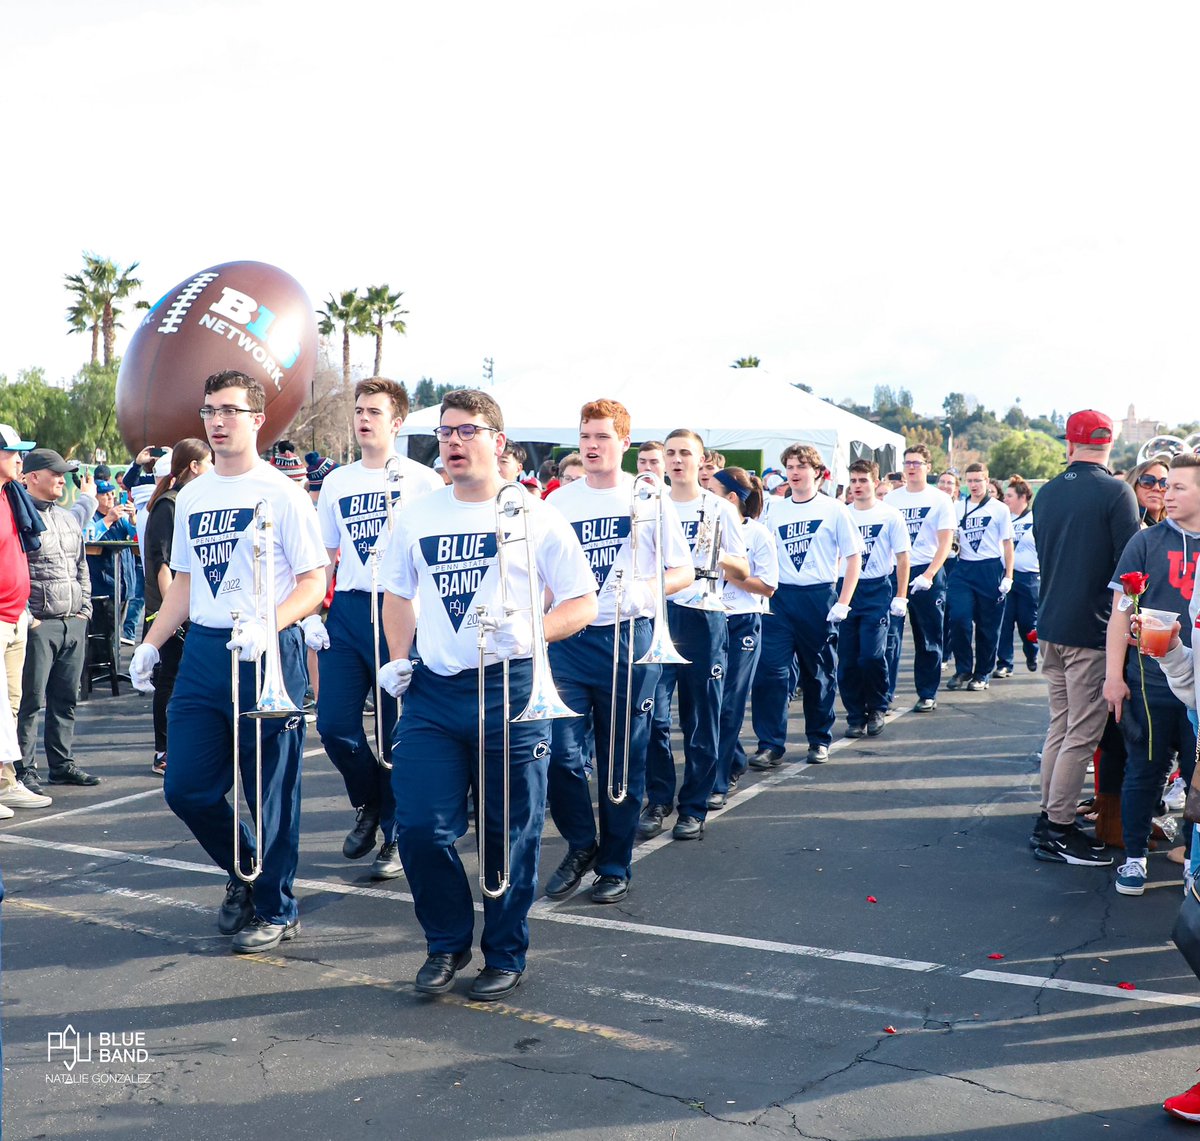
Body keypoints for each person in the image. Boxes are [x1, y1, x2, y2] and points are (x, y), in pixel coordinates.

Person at [377, 388, 597, 1001]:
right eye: (445, 432)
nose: (452, 441)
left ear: (498, 442)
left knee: (510, 832)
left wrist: (534, 630)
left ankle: (505, 950)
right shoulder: (416, 514)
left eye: (467, 431)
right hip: (434, 692)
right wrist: (398, 659)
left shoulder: (535, 514)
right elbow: (397, 592)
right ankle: (446, 942)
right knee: (420, 828)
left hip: (513, 690)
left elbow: (583, 601)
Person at [130, 370, 328, 953]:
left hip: (268, 650)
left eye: (230, 411)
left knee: (272, 793)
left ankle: (276, 906)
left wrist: (270, 623)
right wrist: (152, 641)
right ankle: (246, 868)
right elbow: (186, 585)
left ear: (257, 419)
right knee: (186, 789)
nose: (217, 421)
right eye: (210, 410)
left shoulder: (284, 494)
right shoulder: (190, 496)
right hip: (206, 655)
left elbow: (315, 583)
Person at [543, 399, 693, 903]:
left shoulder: (650, 497)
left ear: (624, 444)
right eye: (585, 436)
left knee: (620, 761)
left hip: (629, 636)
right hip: (568, 639)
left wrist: (649, 592)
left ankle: (614, 864)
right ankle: (582, 843)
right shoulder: (559, 502)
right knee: (557, 753)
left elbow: (684, 570)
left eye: (603, 437)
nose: (591, 445)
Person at [306, 377, 442, 880]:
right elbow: (326, 554)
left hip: (400, 612)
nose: (363, 418)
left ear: (397, 421)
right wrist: (311, 612)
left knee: (395, 735)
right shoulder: (338, 481)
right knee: (335, 725)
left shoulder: (422, 480)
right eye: (359, 410)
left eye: (374, 412)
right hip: (347, 608)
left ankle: (396, 833)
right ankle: (369, 803)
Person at [1031, 409, 1138, 866]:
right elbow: (1132, 572)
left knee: (1061, 726)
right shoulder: (1116, 492)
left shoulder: (1048, 492)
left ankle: (1049, 819)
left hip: (1052, 623)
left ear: (1070, 444)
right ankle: (1055, 828)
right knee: (1081, 733)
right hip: (1092, 629)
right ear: (1107, 445)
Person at [640, 429, 749, 840]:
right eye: (670, 453)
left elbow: (741, 568)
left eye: (686, 453)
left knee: (701, 716)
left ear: (702, 461)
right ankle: (658, 799)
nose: (677, 459)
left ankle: (694, 806)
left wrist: (715, 552)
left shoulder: (719, 508)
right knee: (651, 715)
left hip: (704, 615)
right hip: (660, 614)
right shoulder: (652, 505)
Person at [1102, 452, 1200, 896]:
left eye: (1178, 486)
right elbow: (1120, 614)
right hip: (1150, 681)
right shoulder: (1145, 542)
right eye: (1164, 485)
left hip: (1199, 687)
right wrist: (1113, 677)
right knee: (1145, 771)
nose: (1165, 493)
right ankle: (1135, 859)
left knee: (1199, 781)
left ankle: (1193, 864)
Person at [749, 443, 862, 768]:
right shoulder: (773, 508)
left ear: (817, 472)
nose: (795, 472)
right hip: (780, 600)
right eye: (790, 467)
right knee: (770, 673)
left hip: (819, 598)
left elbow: (854, 557)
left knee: (818, 674)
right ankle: (770, 744)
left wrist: (843, 601)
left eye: (801, 466)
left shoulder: (834, 509)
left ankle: (818, 738)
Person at [17, 449, 99, 792]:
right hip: (40, 624)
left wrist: (84, 611)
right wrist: (30, 619)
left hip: (72, 622)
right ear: (33, 477)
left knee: (66, 697)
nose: (62, 480)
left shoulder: (66, 518)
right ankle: (24, 769)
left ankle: (61, 764)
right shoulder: (17, 518)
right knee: (30, 701)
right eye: (56, 474)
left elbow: (81, 566)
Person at [140, 439, 213, 776]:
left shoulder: (191, 500)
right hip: (166, 610)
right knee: (168, 680)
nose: (212, 467)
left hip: (190, 607)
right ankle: (163, 750)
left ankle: (187, 746)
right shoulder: (168, 505)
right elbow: (163, 565)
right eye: (207, 461)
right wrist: (176, 613)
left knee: (185, 681)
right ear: (194, 466)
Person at [709, 467, 777, 806]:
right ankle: (732, 760)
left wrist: (730, 572)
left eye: (713, 489)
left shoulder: (759, 535)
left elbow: (767, 586)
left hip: (743, 620)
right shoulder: (707, 524)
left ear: (731, 497)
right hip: (708, 619)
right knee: (710, 703)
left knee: (730, 703)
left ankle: (718, 782)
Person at [0, 424, 52, 813]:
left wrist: (23, 610)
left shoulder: (10, 495)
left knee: (12, 704)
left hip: (15, 615)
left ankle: (5, 780)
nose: (20, 459)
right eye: (12, 452)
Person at [837, 460, 910, 737]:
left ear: (875, 482)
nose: (857, 486)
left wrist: (901, 596)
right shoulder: (842, 514)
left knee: (871, 654)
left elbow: (903, 557)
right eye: (853, 481)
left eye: (863, 480)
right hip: (846, 589)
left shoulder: (890, 515)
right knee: (847, 659)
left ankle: (878, 706)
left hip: (877, 589)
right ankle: (855, 714)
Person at [884, 445, 956, 712]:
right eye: (907, 463)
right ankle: (885, 694)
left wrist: (929, 574)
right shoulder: (892, 500)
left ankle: (927, 692)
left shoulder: (939, 499)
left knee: (927, 637)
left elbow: (945, 541)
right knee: (889, 637)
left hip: (927, 572)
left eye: (916, 462)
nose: (911, 467)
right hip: (896, 572)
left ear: (928, 466)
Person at [945, 463, 1014, 692]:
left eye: (978, 480)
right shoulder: (957, 507)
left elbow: (1007, 544)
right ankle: (963, 667)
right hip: (963, 568)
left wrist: (1008, 576)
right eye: (970, 480)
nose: (973, 485)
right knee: (959, 618)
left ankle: (982, 673)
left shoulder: (999, 509)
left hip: (990, 569)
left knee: (988, 626)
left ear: (987, 481)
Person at [995, 475, 1039, 677]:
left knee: (1027, 623)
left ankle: (1032, 653)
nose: (1006, 499)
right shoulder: (1004, 519)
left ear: (1023, 498)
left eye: (1010, 496)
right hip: (1006, 577)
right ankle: (1005, 663)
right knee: (1004, 622)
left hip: (1029, 579)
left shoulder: (1035, 519)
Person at [1126, 458, 1169, 528]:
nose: (1157, 488)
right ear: (1133, 485)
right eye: (1147, 481)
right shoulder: (1123, 524)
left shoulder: (1176, 530)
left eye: (1164, 483)